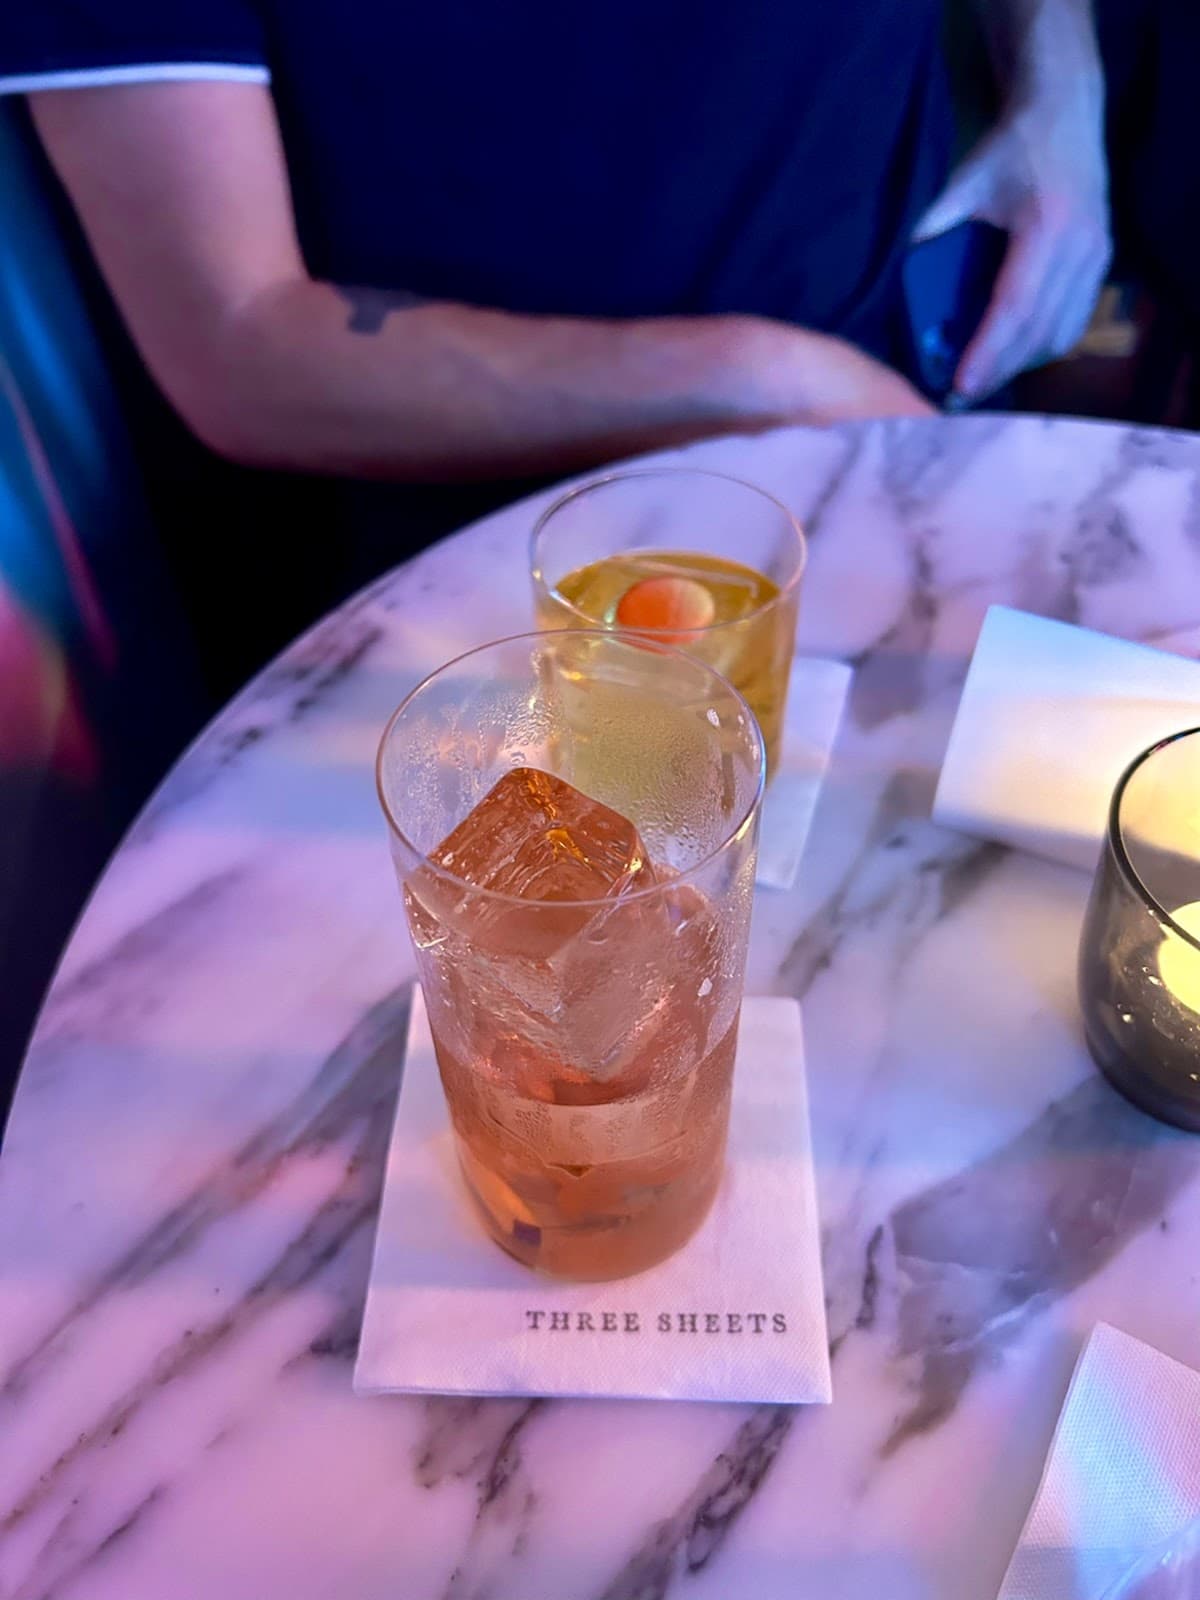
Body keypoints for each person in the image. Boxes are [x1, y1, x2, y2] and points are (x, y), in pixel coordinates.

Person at [0, 2, 1110, 531]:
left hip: (919, 393)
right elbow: (241, 346)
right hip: (489, 554)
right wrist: (776, 384)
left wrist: (1062, 91)